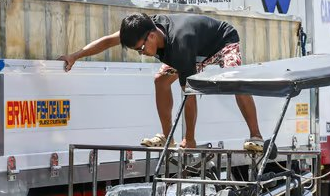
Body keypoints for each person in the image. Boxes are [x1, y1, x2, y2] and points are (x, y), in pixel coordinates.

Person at [58, 13, 264, 151]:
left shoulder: (180, 46)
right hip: (194, 47)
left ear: (152, 36)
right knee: (161, 81)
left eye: (141, 49)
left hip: (221, 41)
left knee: (235, 81)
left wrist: (190, 140)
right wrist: (75, 55)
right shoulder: (142, 27)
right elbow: (108, 40)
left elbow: (189, 97)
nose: (142, 54)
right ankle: (168, 137)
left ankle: (256, 136)